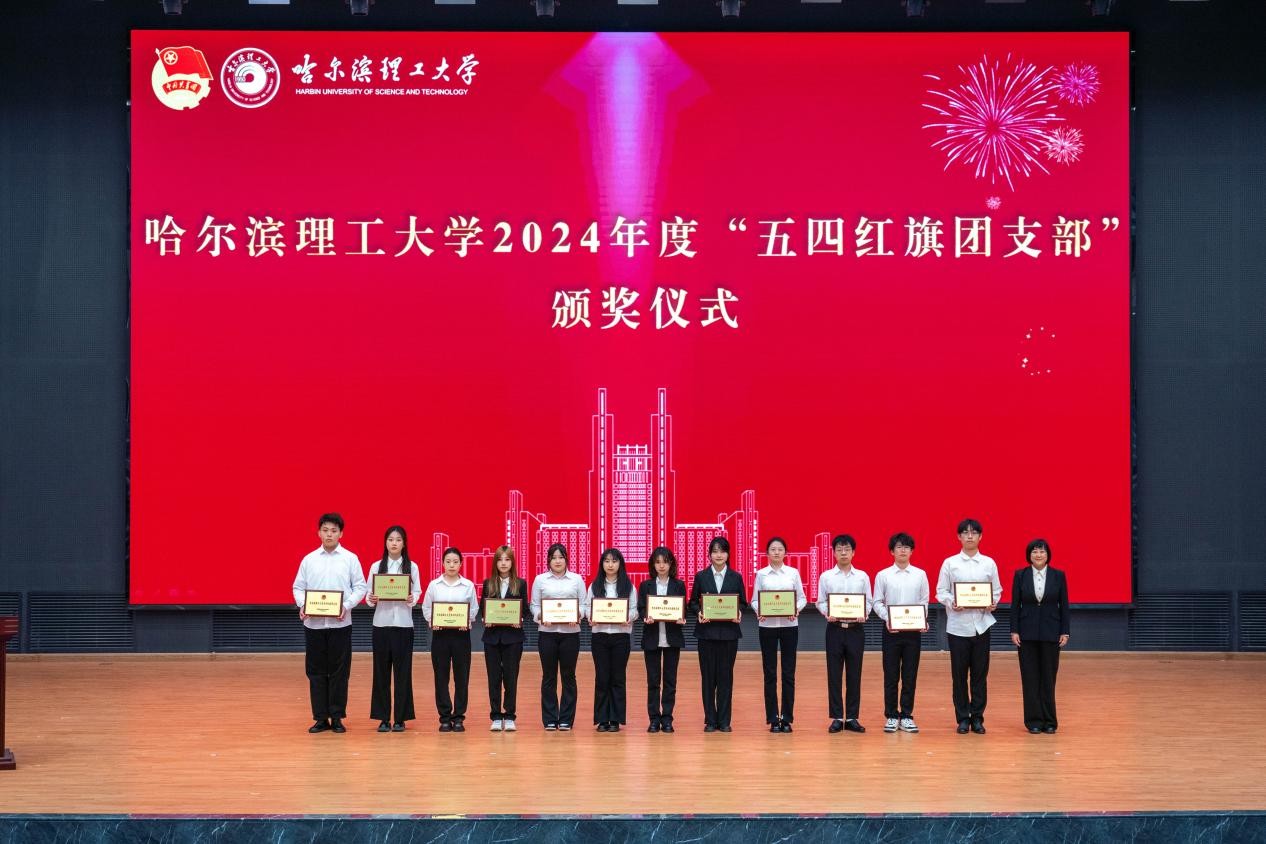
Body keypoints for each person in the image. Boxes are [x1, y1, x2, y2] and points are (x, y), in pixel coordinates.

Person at [292, 512, 367, 734]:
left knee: (339, 672)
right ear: (319, 533)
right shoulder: (309, 559)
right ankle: (320, 718)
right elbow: (298, 587)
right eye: (325, 530)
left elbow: (360, 587)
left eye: (334, 530)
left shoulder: (350, 558)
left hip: (340, 625)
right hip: (314, 625)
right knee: (315, 672)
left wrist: (346, 605)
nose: (329, 534)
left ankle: (337, 717)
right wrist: (303, 604)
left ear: (341, 533)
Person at [936, 518, 1003, 735]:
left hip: (982, 626)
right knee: (959, 676)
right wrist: (951, 602)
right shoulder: (950, 563)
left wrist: (993, 602)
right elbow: (941, 591)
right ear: (959, 537)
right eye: (965, 532)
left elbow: (997, 590)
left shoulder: (989, 563)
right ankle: (963, 718)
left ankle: (978, 718)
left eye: (974, 532)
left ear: (981, 536)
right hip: (958, 627)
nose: (970, 536)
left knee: (980, 675)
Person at [365, 525, 422, 732]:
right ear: (385, 543)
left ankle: (400, 718)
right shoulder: (376, 566)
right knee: (381, 672)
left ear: (404, 543)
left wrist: (412, 598)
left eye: (398, 539)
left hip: (404, 625)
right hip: (381, 625)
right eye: (390, 539)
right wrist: (371, 599)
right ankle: (383, 718)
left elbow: (417, 592)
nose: (394, 543)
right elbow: (368, 595)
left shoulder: (412, 567)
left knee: (403, 672)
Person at [1010, 539, 1070, 734]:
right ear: (1029, 555)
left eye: (1042, 552)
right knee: (1029, 677)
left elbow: (1064, 605)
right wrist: (1014, 630)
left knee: (1048, 677)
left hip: (1051, 632)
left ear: (1048, 555)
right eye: (1034, 551)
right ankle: (1033, 721)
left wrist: (1065, 631)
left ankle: (1050, 720)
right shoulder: (1020, 575)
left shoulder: (1058, 575)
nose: (1038, 555)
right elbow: (1015, 605)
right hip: (1026, 633)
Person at [688, 536, 748, 733]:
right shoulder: (701, 576)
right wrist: (699, 612)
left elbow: (743, 602)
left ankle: (724, 720)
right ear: (709, 555)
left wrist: (739, 612)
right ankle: (710, 720)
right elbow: (693, 602)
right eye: (714, 551)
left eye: (722, 551)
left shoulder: (736, 577)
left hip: (729, 634)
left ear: (728, 554)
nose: (718, 555)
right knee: (708, 679)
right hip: (706, 634)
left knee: (725, 678)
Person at [872, 532, 929, 734]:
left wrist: (922, 619)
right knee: (891, 674)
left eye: (906, 547)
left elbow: (924, 601)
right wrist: (887, 619)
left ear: (912, 551)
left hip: (913, 632)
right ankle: (891, 715)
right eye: (899, 547)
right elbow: (877, 602)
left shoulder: (920, 574)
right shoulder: (883, 575)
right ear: (892, 551)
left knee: (910, 675)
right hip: (891, 631)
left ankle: (906, 715)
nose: (903, 550)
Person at [815, 534, 872, 734]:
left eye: (847, 549)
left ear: (853, 552)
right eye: (839, 549)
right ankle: (838, 717)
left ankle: (853, 717)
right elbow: (820, 601)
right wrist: (827, 613)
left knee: (855, 674)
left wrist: (864, 613)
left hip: (856, 630)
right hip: (835, 629)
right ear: (834, 553)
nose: (843, 553)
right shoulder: (826, 576)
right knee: (834, 674)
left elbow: (869, 601)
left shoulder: (862, 576)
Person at [421, 547, 480, 732]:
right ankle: (445, 717)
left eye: (455, 562)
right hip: (440, 636)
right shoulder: (434, 585)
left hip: (461, 636)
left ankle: (459, 717)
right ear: (442, 564)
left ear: (461, 564)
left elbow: (474, 609)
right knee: (441, 677)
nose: (452, 565)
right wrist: (433, 621)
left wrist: (467, 620)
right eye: (448, 561)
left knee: (462, 678)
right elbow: (426, 608)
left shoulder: (468, 585)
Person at [752, 536, 807, 732]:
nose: (776, 552)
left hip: (789, 626)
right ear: (767, 553)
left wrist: (796, 609)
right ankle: (773, 718)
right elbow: (755, 600)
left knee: (788, 673)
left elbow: (802, 598)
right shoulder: (761, 574)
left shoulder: (793, 573)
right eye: (773, 549)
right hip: (767, 627)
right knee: (769, 673)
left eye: (780, 549)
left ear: (785, 553)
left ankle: (787, 718)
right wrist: (759, 611)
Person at [530, 543, 588, 731]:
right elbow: (534, 606)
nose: (557, 561)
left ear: (566, 559)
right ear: (548, 560)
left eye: (561, 557)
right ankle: (549, 718)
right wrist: (541, 617)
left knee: (568, 676)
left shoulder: (577, 579)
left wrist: (577, 615)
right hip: (547, 634)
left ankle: (566, 719)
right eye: (554, 557)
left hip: (570, 634)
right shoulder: (540, 580)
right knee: (549, 676)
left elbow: (584, 605)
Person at [638, 546, 688, 733]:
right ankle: (653, 719)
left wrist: (682, 618)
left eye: (665, 562)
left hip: (672, 638)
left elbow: (683, 608)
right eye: (657, 562)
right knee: (653, 681)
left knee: (670, 681)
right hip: (652, 638)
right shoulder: (646, 585)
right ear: (653, 564)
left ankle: (667, 718)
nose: (661, 566)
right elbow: (641, 608)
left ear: (671, 564)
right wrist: (646, 616)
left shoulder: (679, 585)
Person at [588, 548, 638, 732]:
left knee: (618, 677)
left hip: (620, 636)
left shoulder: (629, 587)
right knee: (602, 678)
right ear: (602, 564)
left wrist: (628, 617)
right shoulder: (594, 586)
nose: (610, 565)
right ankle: (602, 719)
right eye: (607, 561)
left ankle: (615, 719)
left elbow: (634, 610)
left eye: (614, 561)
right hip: (599, 636)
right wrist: (590, 616)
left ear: (620, 564)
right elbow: (587, 607)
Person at [480, 545, 530, 732]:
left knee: (511, 677)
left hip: (513, 638)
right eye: (500, 559)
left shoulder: (521, 583)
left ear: (512, 562)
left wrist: (519, 619)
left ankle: (509, 716)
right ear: (495, 562)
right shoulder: (488, 583)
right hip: (492, 638)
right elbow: (483, 608)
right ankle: (495, 715)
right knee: (493, 678)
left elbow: (525, 610)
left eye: (507, 559)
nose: (503, 563)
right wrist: (486, 618)